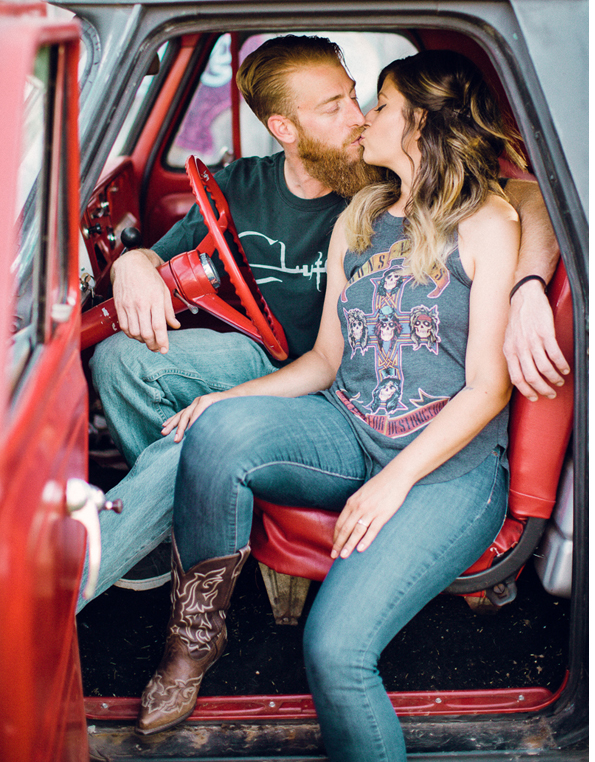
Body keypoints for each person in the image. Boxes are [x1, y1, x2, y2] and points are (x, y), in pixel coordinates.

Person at [82, 35, 567, 609]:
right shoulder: (239, 184)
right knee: (115, 360)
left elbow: (530, 200)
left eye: (358, 98)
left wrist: (529, 286)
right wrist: (134, 263)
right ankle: (168, 524)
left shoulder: (384, 182)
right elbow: (159, 256)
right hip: (258, 360)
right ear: (286, 129)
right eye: (333, 108)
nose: (359, 119)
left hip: (334, 387)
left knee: (194, 443)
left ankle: (66, 583)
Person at [135, 50, 517, 760]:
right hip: (349, 426)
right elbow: (325, 362)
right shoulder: (363, 216)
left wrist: (391, 483)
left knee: (337, 654)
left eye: (380, 105)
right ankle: (195, 638)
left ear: (422, 125)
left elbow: (488, 389)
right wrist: (227, 396)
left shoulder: (487, 220)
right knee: (217, 431)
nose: (364, 118)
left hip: (447, 469)